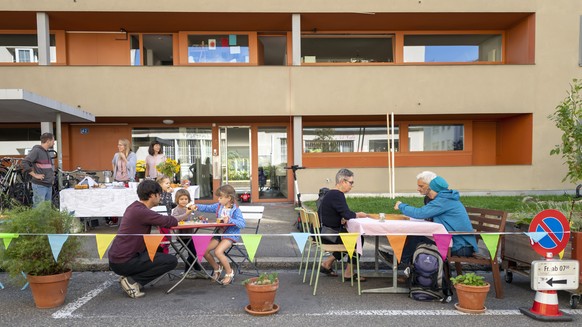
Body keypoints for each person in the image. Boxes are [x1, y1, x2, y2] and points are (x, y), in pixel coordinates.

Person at [108, 179, 192, 298]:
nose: (161, 197)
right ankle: (132, 281)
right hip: (124, 260)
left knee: (159, 250)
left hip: (119, 258)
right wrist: (186, 214)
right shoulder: (142, 212)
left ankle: (128, 276)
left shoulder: (134, 207)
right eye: (159, 194)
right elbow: (168, 221)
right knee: (171, 261)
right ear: (152, 195)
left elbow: (160, 219)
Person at [394, 175, 479, 265]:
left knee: (417, 236)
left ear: (432, 189)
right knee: (416, 235)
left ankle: (401, 262)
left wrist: (401, 205)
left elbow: (420, 213)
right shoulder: (445, 198)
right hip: (457, 241)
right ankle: (403, 262)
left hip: (460, 246)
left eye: (429, 189)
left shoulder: (443, 201)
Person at [318, 168, 367, 281]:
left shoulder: (330, 193)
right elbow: (347, 213)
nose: (352, 186)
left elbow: (337, 213)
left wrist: (342, 218)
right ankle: (348, 273)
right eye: (351, 182)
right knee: (358, 239)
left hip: (324, 232)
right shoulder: (337, 194)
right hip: (329, 235)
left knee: (350, 237)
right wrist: (358, 214)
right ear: (342, 181)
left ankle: (327, 263)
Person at [192, 185, 245, 285]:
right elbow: (207, 207)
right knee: (204, 250)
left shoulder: (236, 210)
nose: (218, 199)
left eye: (220, 197)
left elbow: (242, 224)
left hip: (230, 235)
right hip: (219, 234)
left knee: (218, 252)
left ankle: (229, 272)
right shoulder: (219, 206)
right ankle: (217, 267)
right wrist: (197, 206)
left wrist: (230, 220)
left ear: (228, 198)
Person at [172, 188, 205, 279]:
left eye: (186, 199)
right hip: (183, 236)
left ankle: (195, 271)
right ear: (177, 200)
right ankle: (188, 271)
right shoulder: (176, 210)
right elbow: (175, 219)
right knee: (193, 252)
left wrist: (198, 219)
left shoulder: (189, 209)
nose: (184, 201)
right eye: (181, 199)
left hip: (191, 235)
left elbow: (190, 220)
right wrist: (187, 213)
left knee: (194, 253)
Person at [22, 132, 55, 207]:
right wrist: (35, 175)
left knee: (46, 210)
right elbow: (24, 162)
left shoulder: (46, 152)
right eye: (53, 141)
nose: (54, 143)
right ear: (48, 141)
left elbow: (45, 167)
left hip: (48, 184)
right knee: (38, 209)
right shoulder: (37, 151)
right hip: (40, 185)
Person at [156, 175, 176, 253]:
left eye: (169, 183)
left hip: (167, 218)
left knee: (167, 237)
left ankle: (164, 251)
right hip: (162, 218)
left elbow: (170, 204)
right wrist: (168, 193)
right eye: (166, 183)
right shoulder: (160, 194)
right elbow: (163, 203)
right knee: (166, 238)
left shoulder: (166, 193)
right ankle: (161, 251)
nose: (169, 185)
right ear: (160, 184)